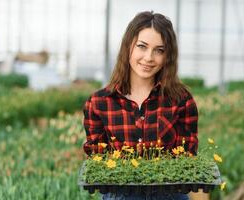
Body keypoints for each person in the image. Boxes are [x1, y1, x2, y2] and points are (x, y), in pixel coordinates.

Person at [83, 11, 198, 200]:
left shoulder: (181, 100)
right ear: (128, 46)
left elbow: (186, 158)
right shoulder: (100, 103)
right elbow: (98, 160)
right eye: (142, 47)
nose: (149, 57)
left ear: (168, 56)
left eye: (159, 50)